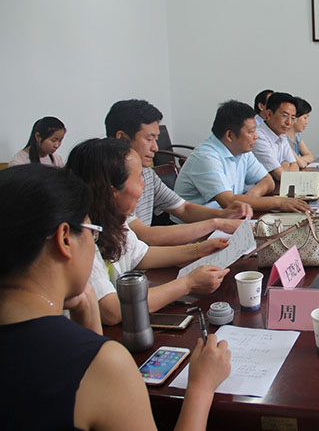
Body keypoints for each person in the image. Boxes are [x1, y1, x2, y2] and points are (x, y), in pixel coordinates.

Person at [0, 164, 230, 430]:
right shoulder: (104, 364)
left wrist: (88, 319)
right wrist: (201, 388)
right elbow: (84, 368)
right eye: (91, 231)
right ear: (65, 239)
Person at [66, 138, 231, 326]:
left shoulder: (113, 219)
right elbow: (112, 310)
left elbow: (141, 255)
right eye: (138, 178)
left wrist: (198, 249)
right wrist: (188, 284)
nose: (143, 185)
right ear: (112, 192)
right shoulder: (81, 236)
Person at [105, 99, 252, 245]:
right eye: (149, 139)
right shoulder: (107, 181)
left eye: (156, 139)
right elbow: (145, 236)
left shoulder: (147, 174)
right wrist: (216, 223)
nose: (155, 148)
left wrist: (224, 214)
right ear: (122, 138)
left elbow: (183, 208)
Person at [175, 100, 310, 212]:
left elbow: (267, 181)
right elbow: (228, 201)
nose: (256, 136)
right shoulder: (206, 157)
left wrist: (251, 198)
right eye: (251, 132)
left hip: (228, 217)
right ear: (230, 135)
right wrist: (279, 202)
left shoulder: (241, 150)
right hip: (195, 226)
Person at [252, 92, 300, 180]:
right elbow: (281, 176)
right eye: (284, 116)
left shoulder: (282, 135)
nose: (289, 122)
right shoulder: (258, 137)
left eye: (293, 118)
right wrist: (284, 166)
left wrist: (285, 167)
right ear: (269, 114)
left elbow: (294, 165)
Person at [287, 96, 314, 168]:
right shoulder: (282, 138)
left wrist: (297, 161)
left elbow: (310, 156)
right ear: (294, 117)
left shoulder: (297, 136)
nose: (306, 122)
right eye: (305, 118)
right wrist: (299, 161)